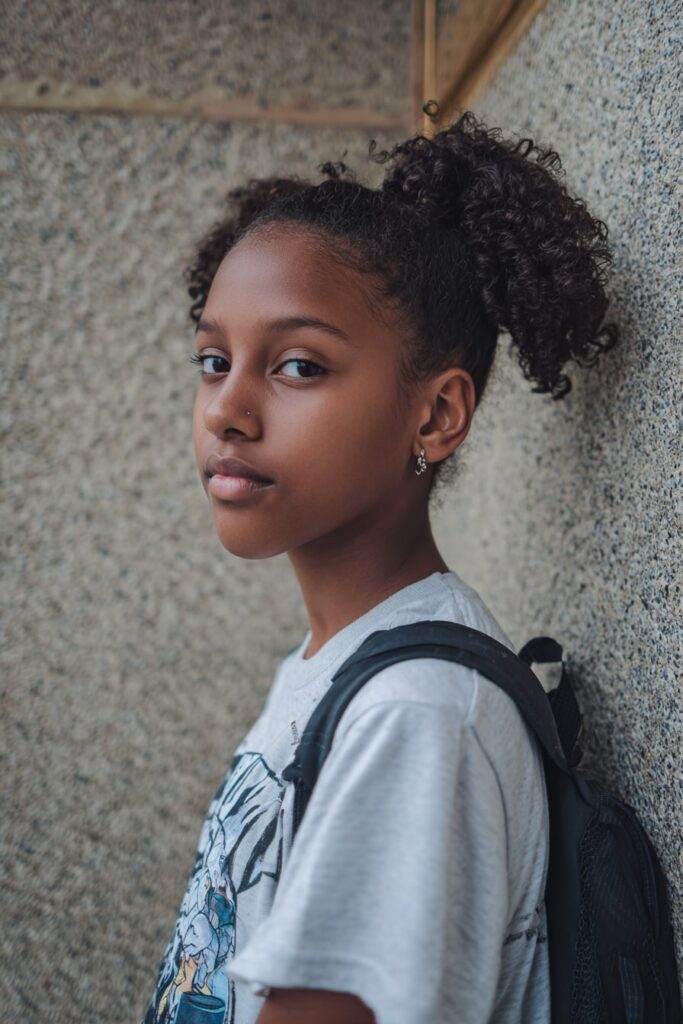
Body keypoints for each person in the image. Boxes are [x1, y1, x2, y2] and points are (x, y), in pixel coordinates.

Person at [140, 106, 619, 1024]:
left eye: (298, 367)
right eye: (213, 358)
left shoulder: (418, 719)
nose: (225, 411)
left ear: (435, 415)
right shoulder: (327, 665)